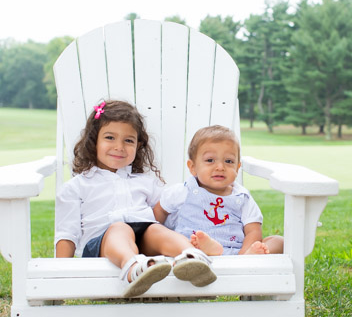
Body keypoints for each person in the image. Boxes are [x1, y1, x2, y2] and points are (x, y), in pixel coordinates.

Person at [55, 100, 216, 297]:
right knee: (120, 227)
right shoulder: (78, 186)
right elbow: (67, 234)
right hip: (102, 246)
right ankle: (133, 268)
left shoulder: (146, 182)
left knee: (154, 228)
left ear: (138, 145)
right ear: (93, 141)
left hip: (144, 244)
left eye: (128, 140)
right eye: (110, 137)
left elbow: (169, 216)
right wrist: (60, 275)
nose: (119, 147)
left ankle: (193, 259)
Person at [153, 125, 284, 256]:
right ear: (192, 167)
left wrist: (243, 255)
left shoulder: (242, 197)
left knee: (279, 242)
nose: (220, 167)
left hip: (236, 252)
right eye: (210, 160)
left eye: (229, 161)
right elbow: (159, 212)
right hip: (192, 250)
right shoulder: (183, 191)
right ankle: (209, 249)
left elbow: (253, 231)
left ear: (237, 168)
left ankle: (248, 256)